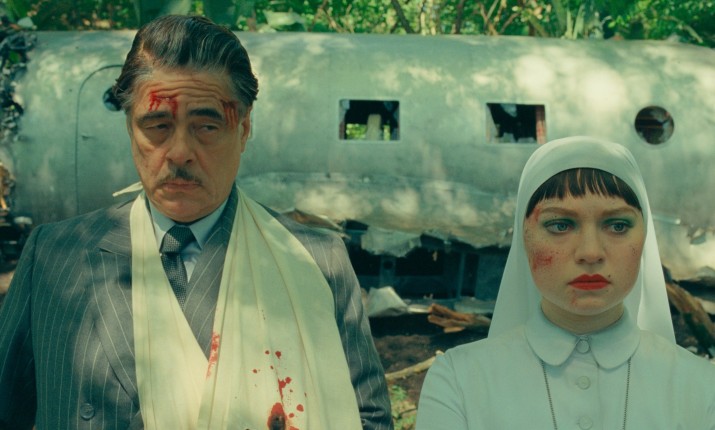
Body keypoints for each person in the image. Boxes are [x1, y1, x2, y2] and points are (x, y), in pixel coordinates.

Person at [0, 15, 392, 430]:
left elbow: (367, 418)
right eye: (158, 126)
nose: (180, 152)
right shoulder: (55, 257)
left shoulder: (314, 261)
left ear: (243, 129)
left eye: (206, 126)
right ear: (131, 129)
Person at [416, 136, 715, 429]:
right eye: (560, 225)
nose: (590, 253)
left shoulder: (702, 387)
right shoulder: (459, 381)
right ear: (524, 237)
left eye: (617, 225)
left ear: (644, 235)